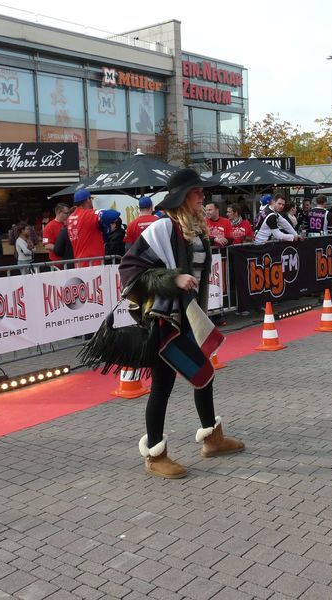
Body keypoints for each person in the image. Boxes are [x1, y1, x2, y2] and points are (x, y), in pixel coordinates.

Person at [117, 168, 244, 478]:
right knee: (163, 385)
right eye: (197, 191)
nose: (203, 195)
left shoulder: (197, 229)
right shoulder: (163, 228)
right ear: (183, 197)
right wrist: (173, 278)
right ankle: (155, 454)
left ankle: (212, 438)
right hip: (165, 321)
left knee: (204, 374)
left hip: (188, 318)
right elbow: (130, 270)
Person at [65, 189, 119, 266]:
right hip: (93, 263)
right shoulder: (89, 214)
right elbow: (114, 214)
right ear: (88, 200)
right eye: (91, 199)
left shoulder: (70, 218)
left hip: (78, 263)